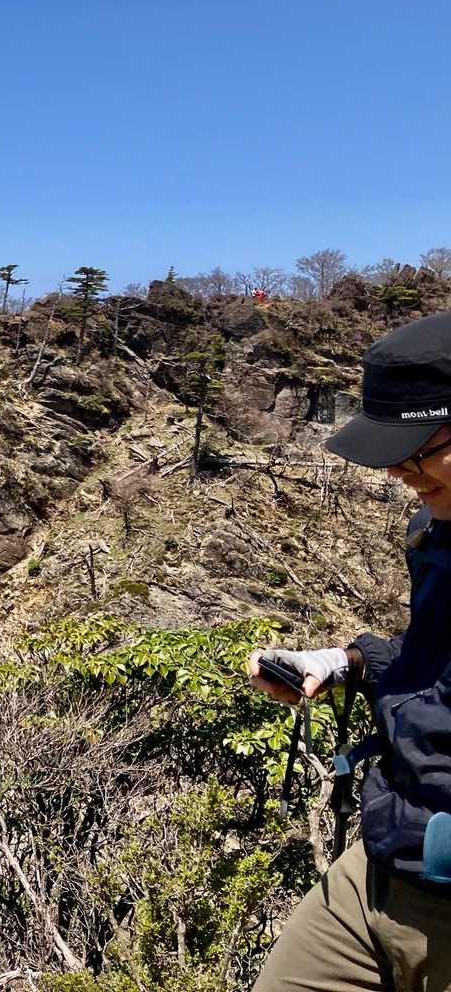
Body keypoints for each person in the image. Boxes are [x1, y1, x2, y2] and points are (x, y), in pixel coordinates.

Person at [249, 312, 451, 991]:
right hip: (384, 863)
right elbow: (432, 660)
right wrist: (344, 663)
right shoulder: (439, 532)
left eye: (417, 449)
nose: (397, 470)